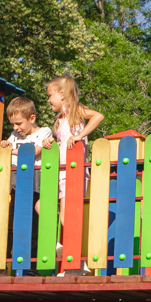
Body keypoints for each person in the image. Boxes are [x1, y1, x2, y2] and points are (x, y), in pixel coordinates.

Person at [0, 97, 54, 275]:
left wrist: (10, 150)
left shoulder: (44, 132)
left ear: (32, 118)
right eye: (12, 124)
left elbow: (35, 151)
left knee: (33, 225)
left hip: (35, 182)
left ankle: (32, 269)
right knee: (10, 224)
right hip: (16, 183)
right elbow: (3, 153)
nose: (16, 128)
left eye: (19, 123)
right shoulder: (15, 135)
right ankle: (0, 265)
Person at [47, 76, 104, 274]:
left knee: (67, 217)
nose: (48, 100)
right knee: (44, 207)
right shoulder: (61, 119)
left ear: (62, 94)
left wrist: (80, 136)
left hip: (74, 173)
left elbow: (98, 116)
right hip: (62, 172)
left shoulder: (75, 110)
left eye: (50, 95)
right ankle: (61, 247)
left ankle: (76, 261)